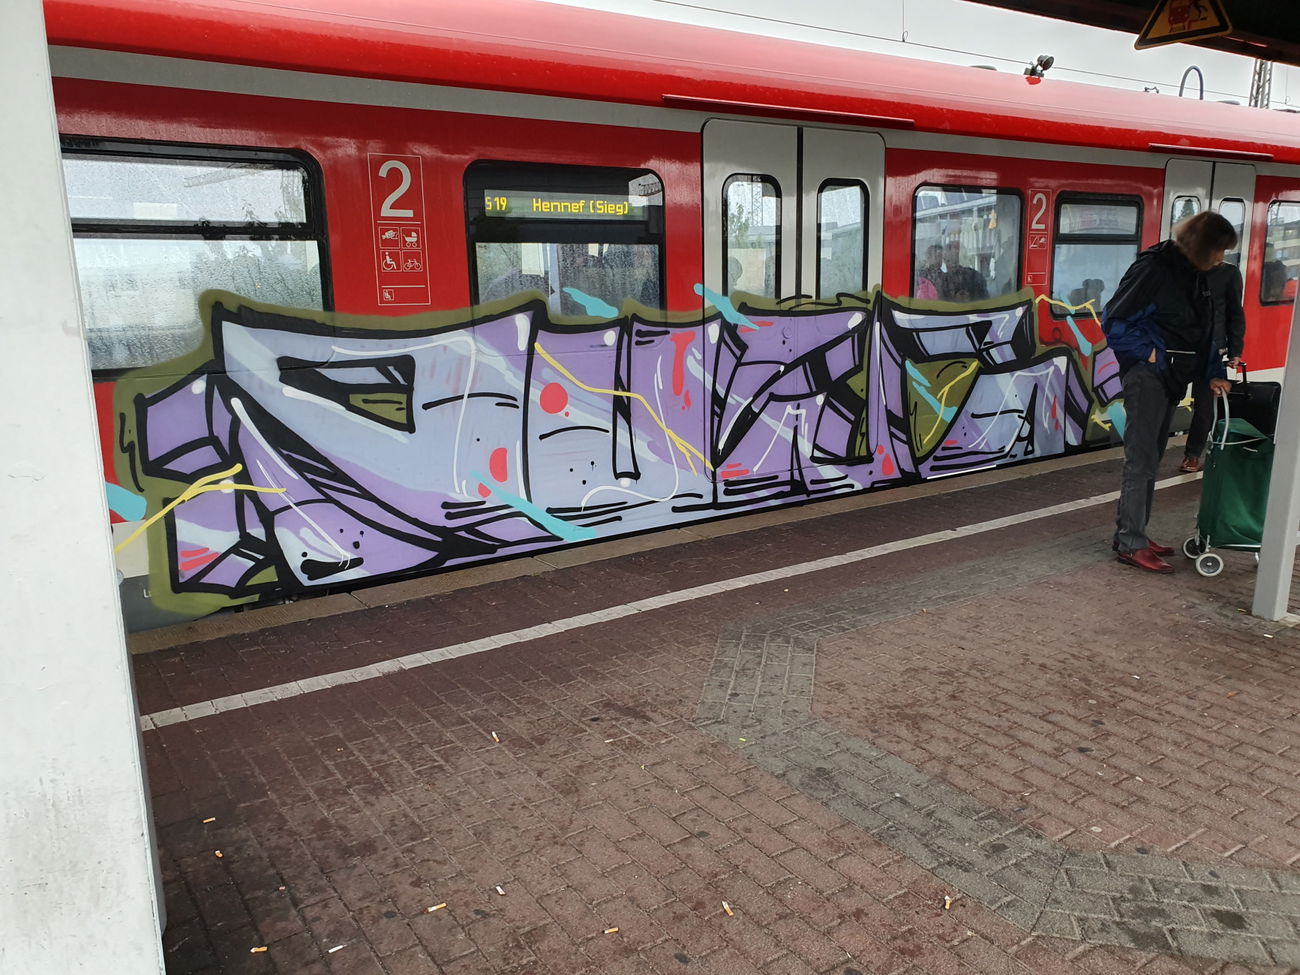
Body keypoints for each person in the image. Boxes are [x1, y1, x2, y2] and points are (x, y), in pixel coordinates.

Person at [1104, 210, 1237, 573]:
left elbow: (1205, 331)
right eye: (1219, 249)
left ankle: (1133, 533)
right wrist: (1149, 355)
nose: (1222, 258)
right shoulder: (1155, 269)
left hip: (1171, 375)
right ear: (1202, 246)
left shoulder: (1197, 274)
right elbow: (1114, 321)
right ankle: (1130, 542)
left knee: (1152, 457)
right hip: (1150, 376)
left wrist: (1213, 372)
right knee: (1142, 460)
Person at [1179, 261, 1245, 473]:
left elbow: (1235, 312)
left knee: (1205, 408)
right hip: (1180, 346)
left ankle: (1193, 454)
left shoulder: (1229, 273)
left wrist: (1234, 350)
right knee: (1166, 402)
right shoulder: (1186, 268)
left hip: (1211, 349)